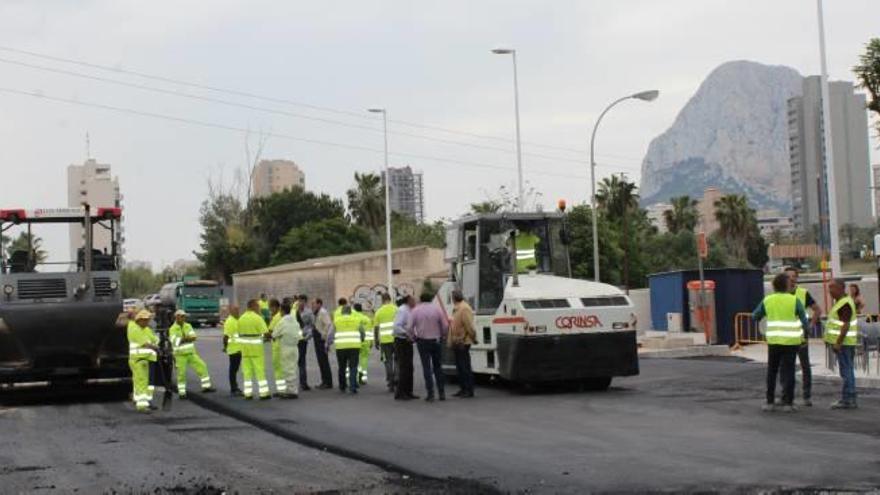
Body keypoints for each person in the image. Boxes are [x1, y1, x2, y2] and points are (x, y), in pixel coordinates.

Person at [752, 273, 810, 413]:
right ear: (786, 285)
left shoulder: (768, 300)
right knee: (789, 371)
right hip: (791, 342)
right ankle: (788, 403)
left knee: (772, 371)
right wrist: (804, 335)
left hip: (774, 341)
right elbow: (804, 320)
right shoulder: (794, 300)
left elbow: (755, 315)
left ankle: (769, 402)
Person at [785, 267, 821, 407]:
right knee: (787, 366)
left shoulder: (803, 293)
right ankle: (788, 396)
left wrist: (811, 325)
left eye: (793, 276)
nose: (791, 279)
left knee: (805, 365)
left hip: (800, 335)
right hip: (786, 336)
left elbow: (818, 310)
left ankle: (806, 396)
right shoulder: (780, 294)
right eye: (788, 276)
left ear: (797, 278)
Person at [408, 292, 449, 402]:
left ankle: (430, 394)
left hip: (422, 341)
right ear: (431, 299)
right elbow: (445, 325)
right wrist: (443, 335)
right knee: (438, 367)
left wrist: (413, 338)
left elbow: (409, 327)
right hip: (436, 340)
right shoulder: (437, 309)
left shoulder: (416, 310)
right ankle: (442, 393)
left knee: (426, 367)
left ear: (421, 300)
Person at [826, 279, 859, 409]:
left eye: (832, 287)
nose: (830, 290)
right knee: (847, 370)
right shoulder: (842, 302)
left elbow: (845, 325)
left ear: (841, 288)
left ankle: (848, 399)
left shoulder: (844, 304)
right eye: (829, 287)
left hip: (844, 344)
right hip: (846, 343)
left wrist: (838, 343)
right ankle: (849, 398)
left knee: (846, 371)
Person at [168, 310, 214, 398]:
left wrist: (183, 339)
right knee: (181, 374)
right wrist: (185, 339)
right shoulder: (172, 329)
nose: (183, 318)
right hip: (180, 355)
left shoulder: (188, 325)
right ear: (176, 317)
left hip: (191, 353)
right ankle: (182, 393)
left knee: (202, 366)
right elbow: (175, 341)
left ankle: (206, 386)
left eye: (184, 316)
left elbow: (193, 337)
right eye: (181, 316)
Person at [238, 299, 271, 400]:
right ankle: (263, 393)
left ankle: (248, 393)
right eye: (258, 306)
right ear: (253, 306)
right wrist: (268, 337)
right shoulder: (258, 318)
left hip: (245, 350)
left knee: (247, 372)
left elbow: (239, 333)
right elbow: (266, 333)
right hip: (256, 350)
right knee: (259, 371)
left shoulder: (241, 318)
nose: (259, 308)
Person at [329, 303, 364, 394]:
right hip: (354, 346)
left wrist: (328, 344)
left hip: (341, 347)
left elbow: (330, 334)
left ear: (341, 312)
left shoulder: (337, 321)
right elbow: (362, 332)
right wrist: (361, 339)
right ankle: (352, 386)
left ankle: (342, 386)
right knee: (353, 367)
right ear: (350, 312)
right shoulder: (356, 320)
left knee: (342, 367)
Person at [128, 309, 159, 413]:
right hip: (138, 359)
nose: (147, 322)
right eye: (145, 320)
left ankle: (139, 400)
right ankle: (142, 405)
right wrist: (155, 347)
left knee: (140, 381)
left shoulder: (145, 329)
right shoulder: (135, 329)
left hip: (145, 359)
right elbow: (145, 343)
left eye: (148, 319)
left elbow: (154, 338)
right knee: (142, 381)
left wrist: (155, 342)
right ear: (139, 320)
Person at [448, 290, 476, 398]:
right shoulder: (457, 308)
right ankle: (463, 388)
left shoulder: (464, 308)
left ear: (454, 298)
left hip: (463, 341)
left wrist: (473, 337)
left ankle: (469, 390)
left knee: (464, 366)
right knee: (460, 366)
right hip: (457, 341)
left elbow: (469, 326)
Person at [271, 299, 301, 399]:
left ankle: (291, 391)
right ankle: (291, 389)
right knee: (293, 368)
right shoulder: (295, 321)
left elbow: (274, 334)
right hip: (295, 348)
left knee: (287, 370)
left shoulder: (282, 322)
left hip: (286, 348)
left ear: (282, 311)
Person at [394, 295, 418, 401]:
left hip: (408, 341)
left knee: (409, 367)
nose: (415, 301)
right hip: (401, 341)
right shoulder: (402, 310)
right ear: (408, 301)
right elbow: (396, 326)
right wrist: (407, 333)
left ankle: (409, 391)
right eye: (413, 300)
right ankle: (400, 393)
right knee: (404, 367)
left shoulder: (409, 310)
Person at [372, 293, 398, 392]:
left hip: (384, 341)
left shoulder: (379, 312)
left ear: (382, 300)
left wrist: (376, 341)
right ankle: (396, 378)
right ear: (390, 299)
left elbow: (376, 328)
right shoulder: (396, 309)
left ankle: (390, 381)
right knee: (397, 360)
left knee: (388, 361)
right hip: (396, 339)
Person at [311, 298, 334, 389]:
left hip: (321, 339)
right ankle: (324, 381)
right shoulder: (317, 313)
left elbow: (328, 324)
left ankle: (328, 382)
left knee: (324, 361)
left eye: (314, 303)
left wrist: (324, 335)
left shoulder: (323, 312)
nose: (312, 306)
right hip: (317, 338)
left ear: (319, 304)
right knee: (321, 361)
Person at [266, 299, 287, 397]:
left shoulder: (276, 317)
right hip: (284, 345)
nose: (270, 310)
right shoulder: (283, 316)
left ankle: (281, 390)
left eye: (270, 308)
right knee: (284, 368)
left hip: (277, 347)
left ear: (275, 307)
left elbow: (269, 333)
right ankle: (284, 389)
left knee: (278, 369)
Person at [223, 304, 243, 396]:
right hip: (233, 349)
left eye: (238, 310)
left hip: (238, 349)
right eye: (235, 310)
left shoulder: (236, 320)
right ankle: (234, 388)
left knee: (235, 369)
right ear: (231, 311)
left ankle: (234, 387)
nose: (238, 312)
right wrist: (225, 347)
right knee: (233, 370)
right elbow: (226, 336)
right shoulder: (230, 321)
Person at [297, 295, 315, 391]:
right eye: (299, 301)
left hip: (302, 340)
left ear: (305, 302)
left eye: (302, 301)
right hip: (293, 339)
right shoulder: (293, 311)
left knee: (301, 361)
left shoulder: (308, 312)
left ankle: (303, 383)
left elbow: (313, 325)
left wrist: (308, 337)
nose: (300, 303)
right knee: (295, 361)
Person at [353, 303, 373, 385]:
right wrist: (372, 342)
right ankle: (363, 377)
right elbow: (370, 331)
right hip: (366, 341)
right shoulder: (367, 319)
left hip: (356, 341)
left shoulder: (353, 318)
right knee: (364, 359)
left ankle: (357, 377)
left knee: (355, 360)